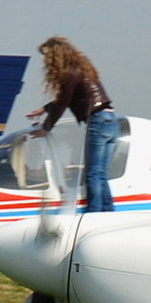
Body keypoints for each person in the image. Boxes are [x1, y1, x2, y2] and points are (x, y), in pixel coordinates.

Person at [29, 36, 117, 212]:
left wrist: (46, 127)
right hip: (110, 119)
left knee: (92, 173)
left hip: (98, 121)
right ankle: (107, 211)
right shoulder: (83, 70)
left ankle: (94, 213)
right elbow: (69, 98)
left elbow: (63, 102)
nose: (46, 62)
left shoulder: (70, 73)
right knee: (100, 173)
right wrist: (45, 109)